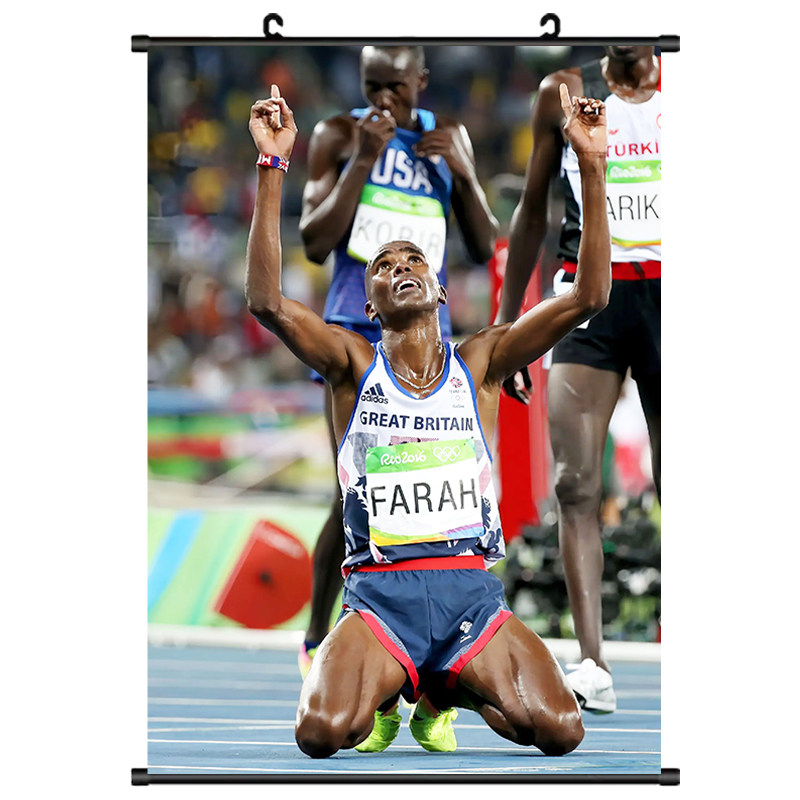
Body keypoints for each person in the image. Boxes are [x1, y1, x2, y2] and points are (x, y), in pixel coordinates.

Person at [245, 82, 609, 758]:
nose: (401, 266)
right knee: (321, 732)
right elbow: (266, 301)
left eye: (414, 260)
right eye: (384, 266)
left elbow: (589, 296)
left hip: (468, 593)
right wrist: (272, 165)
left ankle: (442, 690)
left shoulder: (483, 361)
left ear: (440, 290)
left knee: (561, 729)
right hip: (381, 596)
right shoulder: (351, 364)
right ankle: (393, 689)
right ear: (371, 304)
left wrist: (591, 165)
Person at [297, 46, 498, 677]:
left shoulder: (446, 138)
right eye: (372, 85)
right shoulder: (338, 134)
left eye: (397, 86)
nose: (384, 99)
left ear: (422, 81)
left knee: (424, 487)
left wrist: (463, 173)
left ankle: (429, 649)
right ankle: (318, 639)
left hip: (425, 342)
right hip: (356, 331)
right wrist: (363, 158)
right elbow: (313, 241)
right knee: (353, 491)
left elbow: (483, 246)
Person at [496, 46, 662, 713]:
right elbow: (532, 211)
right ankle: (593, 662)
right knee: (574, 484)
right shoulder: (561, 91)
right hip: (587, 293)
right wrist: (507, 329)